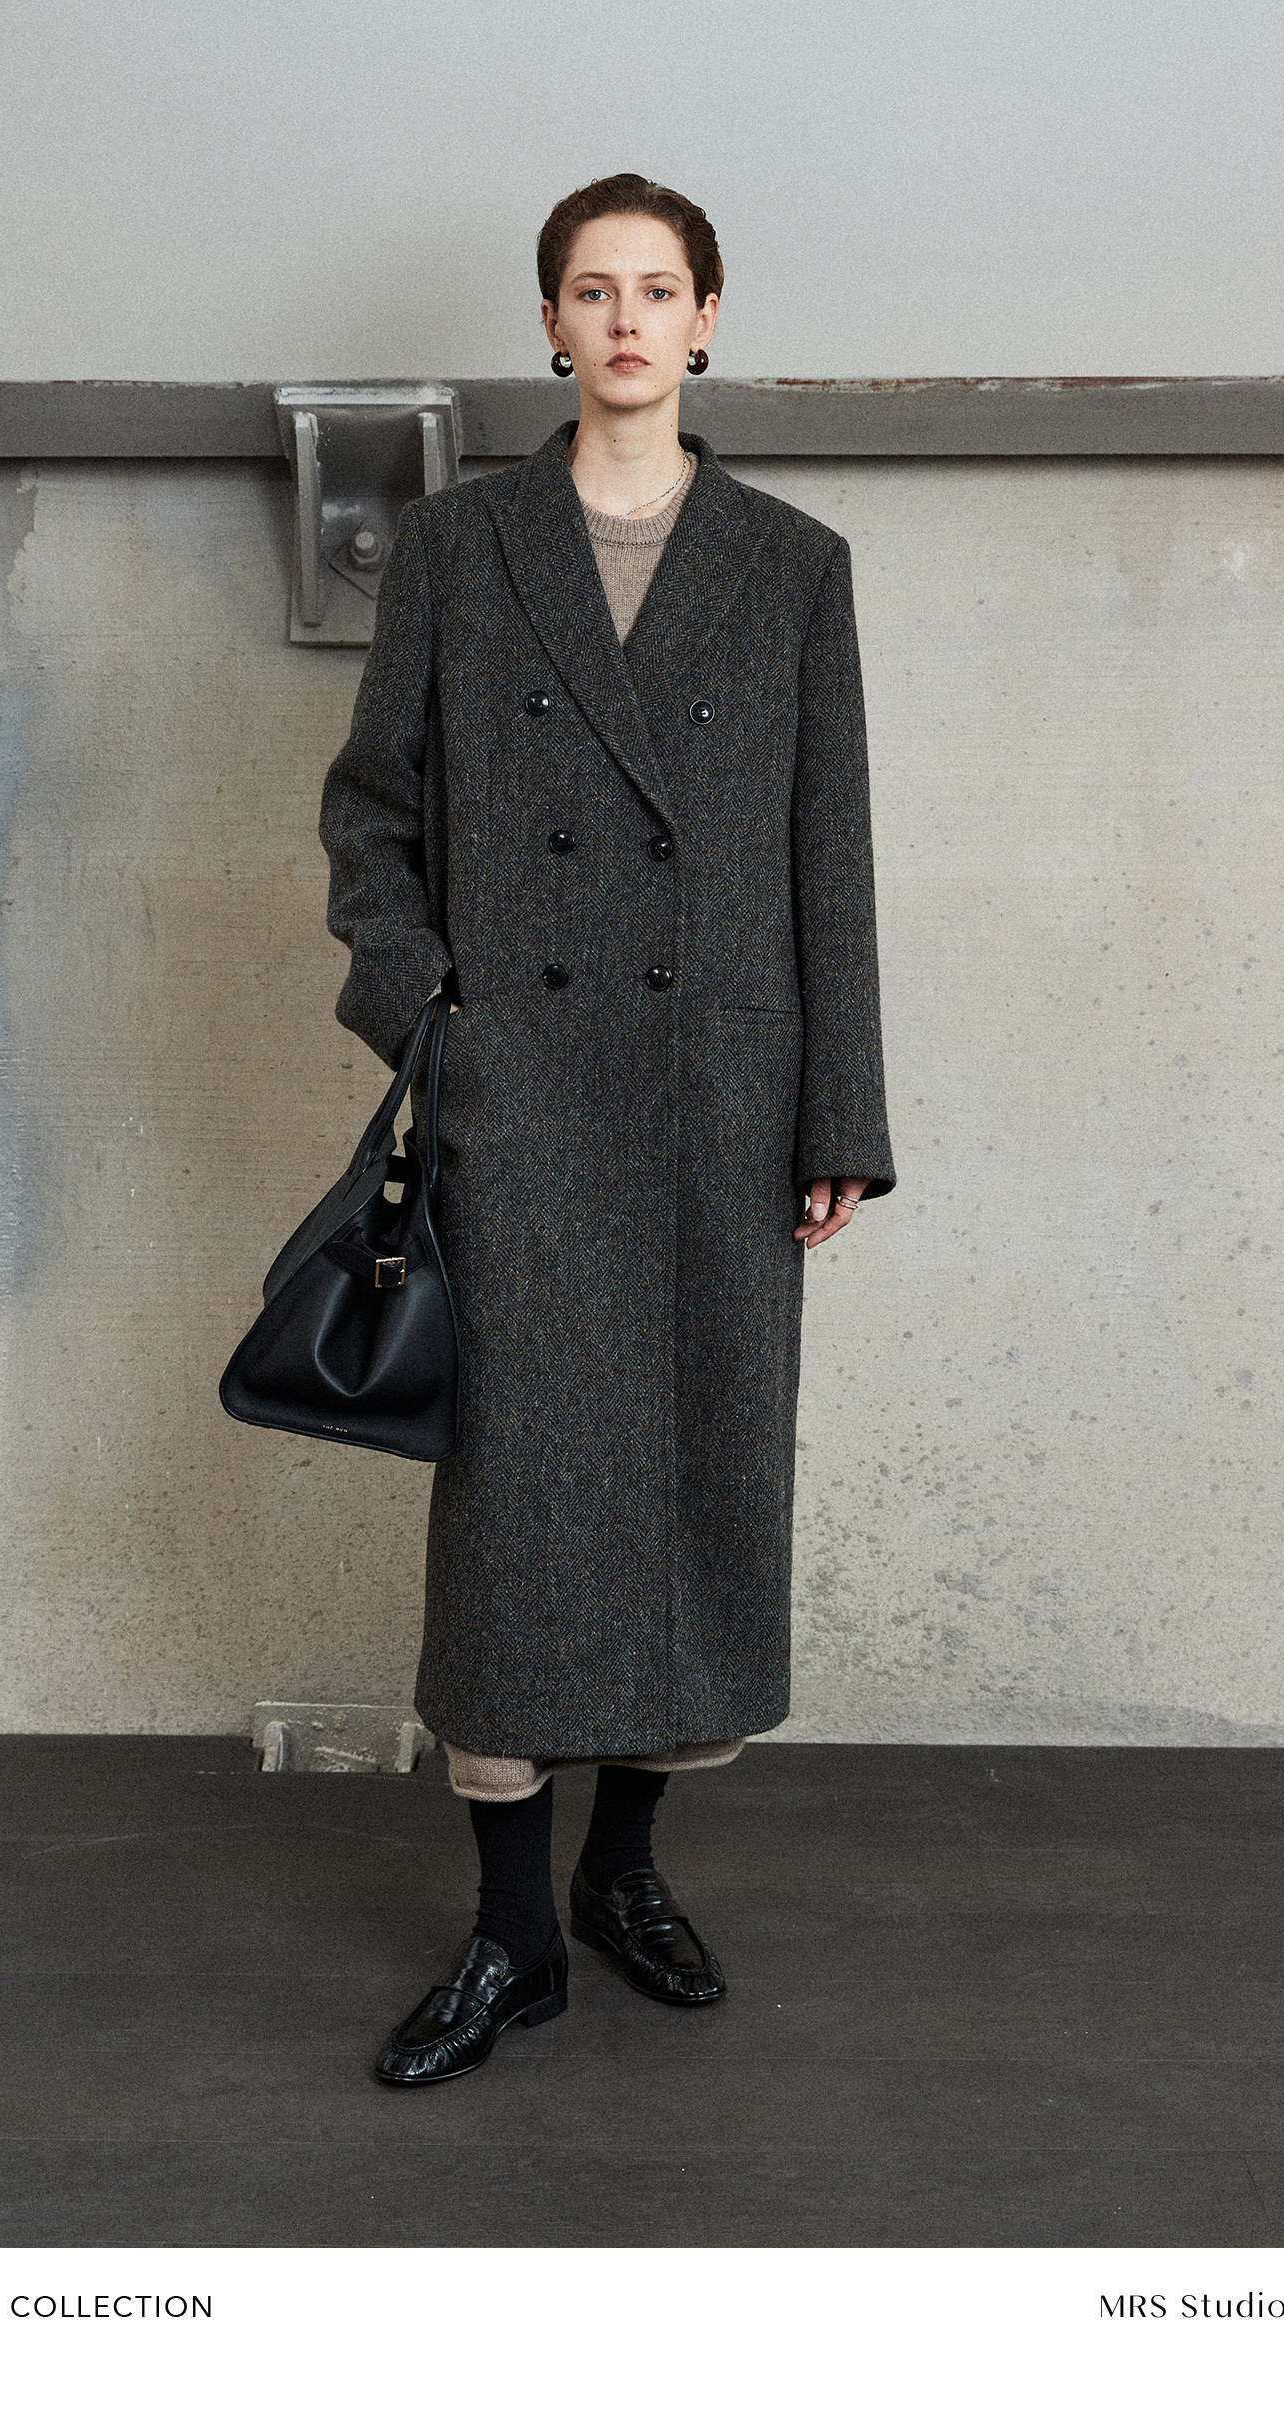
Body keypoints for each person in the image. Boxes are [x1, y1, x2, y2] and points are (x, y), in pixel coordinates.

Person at [319, 171, 894, 2087]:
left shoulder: (793, 564)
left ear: (708, 320)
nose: (629, 319)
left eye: (660, 289)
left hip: (723, 1100)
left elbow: (830, 860)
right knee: (519, 1514)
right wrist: (433, 1015)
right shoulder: (460, 546)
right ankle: (511, 1933)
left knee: (699, 1491)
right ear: (552, 324)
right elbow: (371, 812)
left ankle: (621, 1870)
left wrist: (839, 1109)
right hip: (527, 1097)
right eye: (594, 289)